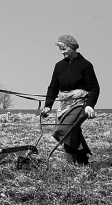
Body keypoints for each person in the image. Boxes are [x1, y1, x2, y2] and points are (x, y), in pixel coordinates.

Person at [41, 35, 100, 165]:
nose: (62, 52)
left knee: (66, 129)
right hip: (63, 105)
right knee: (73, 132)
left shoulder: (86, 65)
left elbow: (95, 87)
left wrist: (90, 105)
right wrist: (48, 106)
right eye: (60, 50)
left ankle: (69, 164)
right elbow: (53, 87)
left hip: (80, 104)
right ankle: (82, 160)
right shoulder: (59, 66)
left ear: (72, 47)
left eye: (64, 49)